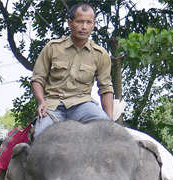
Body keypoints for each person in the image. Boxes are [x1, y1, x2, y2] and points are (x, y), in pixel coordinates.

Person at [30, 3, 114, 139]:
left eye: (88, 22)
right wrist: (41, 102)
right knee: (40, 137)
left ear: (94, 24)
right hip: (53, 105)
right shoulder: (52, 47)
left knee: (107, 132)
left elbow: (106, 89)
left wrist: (109, 121)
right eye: (80, 22)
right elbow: (37, 79)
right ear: (70, 23)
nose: (84, 27)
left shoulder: (100, 54)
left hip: (82, 105)